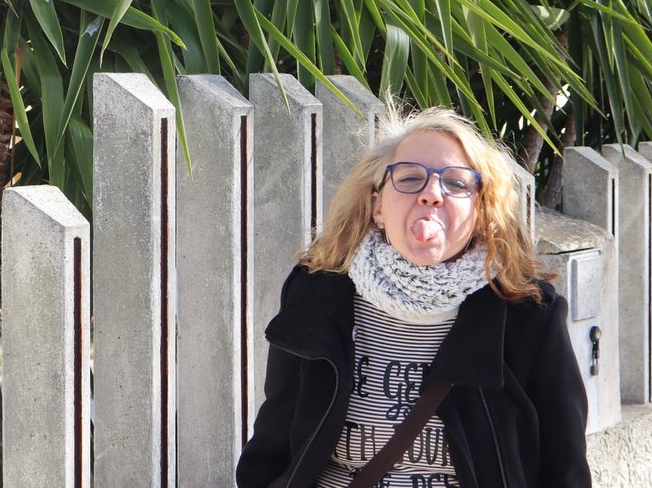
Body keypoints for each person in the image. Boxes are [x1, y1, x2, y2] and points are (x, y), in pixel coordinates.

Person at [236, 106, 591, 487]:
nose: (432, 194)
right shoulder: (317, 295)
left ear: (480, 211)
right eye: (409, 178)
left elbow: (564, 469)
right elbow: (271, 449)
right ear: (377, 206)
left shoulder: (527, 315)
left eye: (455, 183)